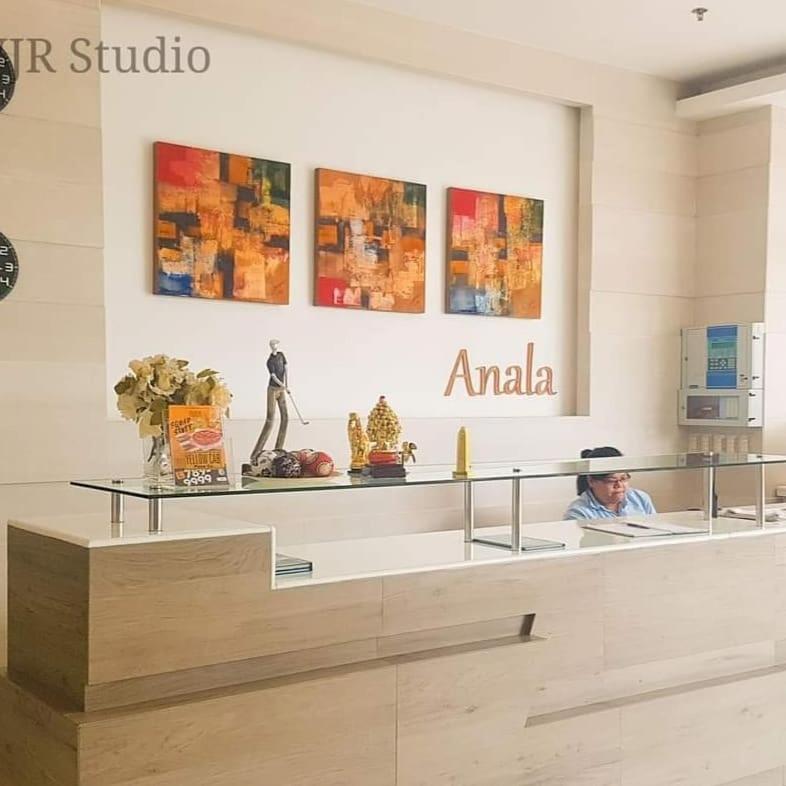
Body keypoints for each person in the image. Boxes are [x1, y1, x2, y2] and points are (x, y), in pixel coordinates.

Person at [564, 446, 656, 520]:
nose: (619, 485)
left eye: (623, 478)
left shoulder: (640, 498)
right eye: (611, 480)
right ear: (591, 481)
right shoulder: (578, 513)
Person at [250, 339, 289, 462]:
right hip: (273, 389)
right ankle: (255, 455)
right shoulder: (270, 361)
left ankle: (278, 451)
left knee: (285, 418)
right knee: (270, 420)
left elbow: (286, 369)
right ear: (270, 346)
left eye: (276, 344)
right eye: (272, 345)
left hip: (281, 389)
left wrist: (286, 385)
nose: (274, 346)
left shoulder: (281, 355)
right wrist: (282, 385)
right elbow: (273, 376)